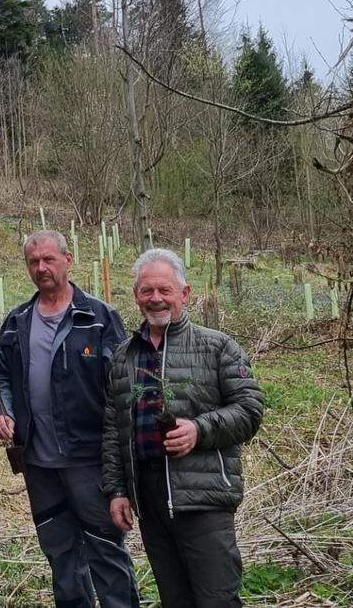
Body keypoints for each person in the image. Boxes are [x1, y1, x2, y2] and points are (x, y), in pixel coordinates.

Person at [103, 248, 264, 608]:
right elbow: (115, 429)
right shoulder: (123, 357)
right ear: (136, 296)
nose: (155, 299)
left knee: (216, 600)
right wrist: (117, 490)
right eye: (147, 291)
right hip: (150, 498)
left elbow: (250, 409)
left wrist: (199, 429)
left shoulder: (217, 347)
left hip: (203, 496)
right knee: (175, 599)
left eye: (165, 290)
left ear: (185, 294)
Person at [0, 230, 140, 607]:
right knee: (60, 552)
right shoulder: (17, 321)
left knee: (106, 550)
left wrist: (120, 459)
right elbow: (1, 378)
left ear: (68, 260)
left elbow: (122, 387)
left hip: (88, 460)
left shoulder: (99, 317)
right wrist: (3, 411)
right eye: (33, 262)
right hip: (38, 463)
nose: (41, 268)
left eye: (48, 259)